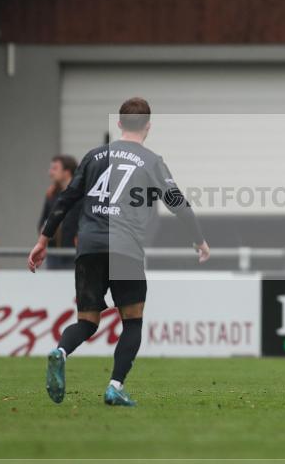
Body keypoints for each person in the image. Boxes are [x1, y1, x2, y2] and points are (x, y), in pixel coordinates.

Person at [28, 98, 210, 407]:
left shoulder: (94, 155)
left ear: (120, 124)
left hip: (88, 247)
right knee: (132, 321)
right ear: (148, 127)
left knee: (86, 322)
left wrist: (44, 240)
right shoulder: (151, 160)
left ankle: (60, 352)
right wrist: (198, 240)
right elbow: (177, 203)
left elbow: (67, 198)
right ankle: (114, 386)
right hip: (124, 249)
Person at [39, 155, 80, 269]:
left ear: (66, 172)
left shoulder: (82, 195)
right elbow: (43, 221)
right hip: (54, 255)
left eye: (55, 168)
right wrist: (44, 234)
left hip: (75, 254)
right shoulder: (52, 195)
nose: (50, 172)